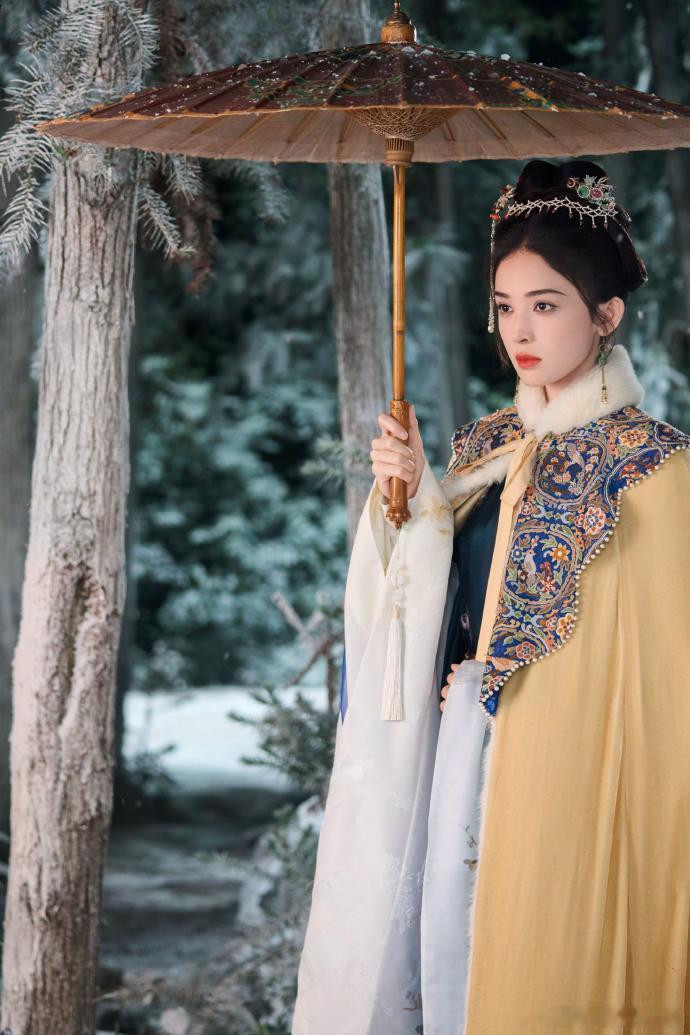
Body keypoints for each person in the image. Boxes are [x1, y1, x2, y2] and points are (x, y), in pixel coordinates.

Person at [292, 159, 690, 1035]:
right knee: (448, 972)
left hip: (570, 784)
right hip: (458, 764)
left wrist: (499, 686)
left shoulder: (655, 468)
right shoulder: (486, 447)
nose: (521, 330)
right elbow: (446, 598)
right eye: (506, 306)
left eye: (546, 304)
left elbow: (665, 683)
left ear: (607, 314)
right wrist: (411, 500)